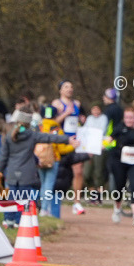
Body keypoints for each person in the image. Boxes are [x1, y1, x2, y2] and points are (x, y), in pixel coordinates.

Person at [0, 105, 75, 229]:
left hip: (12, 172)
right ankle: (18, 221)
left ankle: (8, 220)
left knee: (11, 196)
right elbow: (49, 137)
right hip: (26, 173)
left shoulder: (9, 136)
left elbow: (3, 155)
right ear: (29, 123)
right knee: (23, 199)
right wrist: (67, 139)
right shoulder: (32, 135)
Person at [52, 80, 85, 213]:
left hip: (76, 141)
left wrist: (81, 120)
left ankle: (77, 202)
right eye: (66, 87)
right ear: (60, 90)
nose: (69, 89)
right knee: (60, 173)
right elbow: (53, 122)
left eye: (71, 87)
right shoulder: (57, 103)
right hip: (62, 141)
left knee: (78, 170)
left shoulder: (77, 103)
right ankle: (53, 201)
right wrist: (66, 113)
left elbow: (79, 121)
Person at [81, 103, 109, 203]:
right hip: (89, 148)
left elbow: (100, 131)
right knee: (86, 173)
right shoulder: (89, 119)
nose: (96, 111)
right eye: (94, 109)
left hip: (99, 147)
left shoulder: (104, 118)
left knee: (98, 172)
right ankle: (93, 192)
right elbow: (85, 131)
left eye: (97, 109)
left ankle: (98, 195)